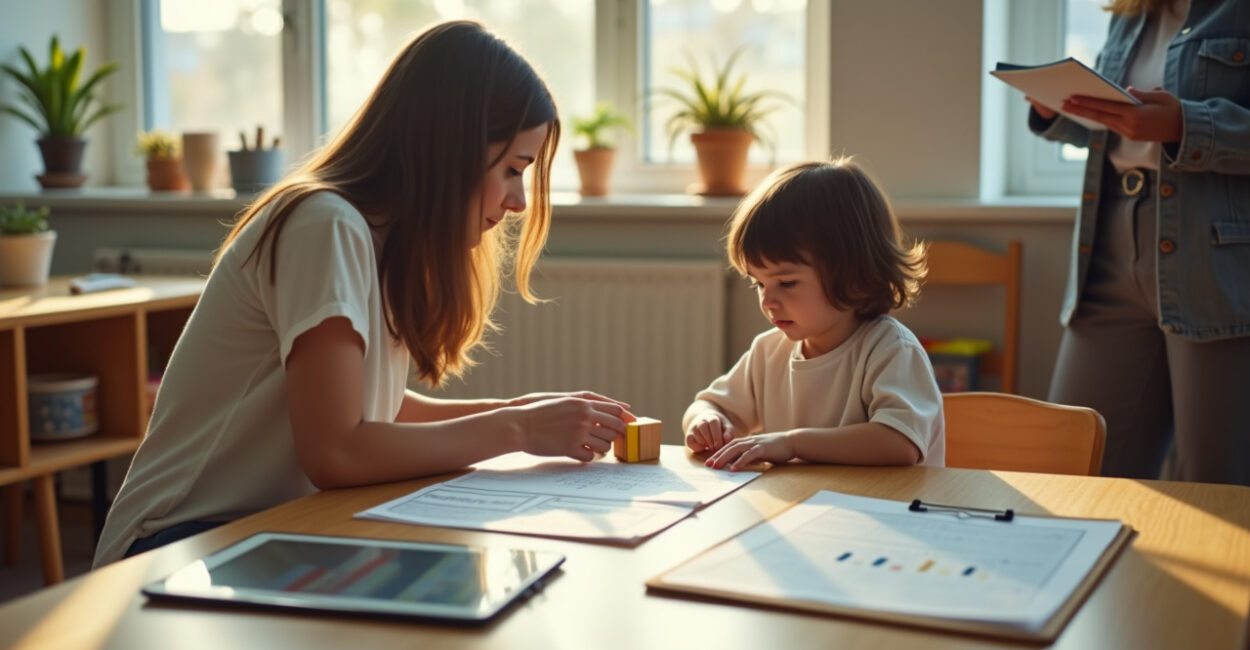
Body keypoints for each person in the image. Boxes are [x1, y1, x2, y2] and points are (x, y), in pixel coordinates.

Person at [94, 21, 634, 567]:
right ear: (452, 148)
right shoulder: (324, 224)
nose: (518, 201)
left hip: (269, 528)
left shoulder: (379, 239)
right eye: (514, 169)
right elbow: (335, 451)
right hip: (179, 541)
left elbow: (379, 409)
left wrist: (515, 410)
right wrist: (517, 429)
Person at [1027, 0, 1250, 484]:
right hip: (1108, 247)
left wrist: (1188, 126)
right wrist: (1062, 111)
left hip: (1216, 258)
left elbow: (1174, 126)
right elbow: (1125, 130)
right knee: (1071, 469)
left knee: (1215, 485)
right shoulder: (1130, 12)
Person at [684, 158, 945, 472]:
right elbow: (708, 403)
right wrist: (706, 420)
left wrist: (792, 443)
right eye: (758, 283)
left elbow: (899, 443)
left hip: (888, 513)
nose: (768, 300)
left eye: (787, 283)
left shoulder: (890, 349)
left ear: (855, 276)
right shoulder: (769, 352)